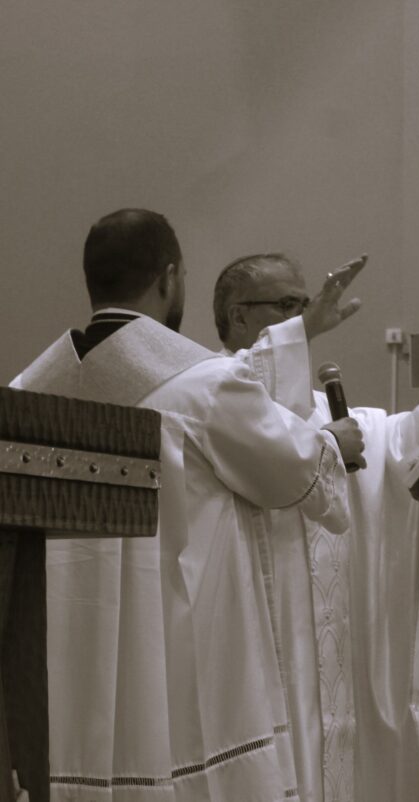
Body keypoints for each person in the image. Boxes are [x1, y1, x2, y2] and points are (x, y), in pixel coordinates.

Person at [10, 209, 364, 800]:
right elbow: (295, 474)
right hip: (180, 655)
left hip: (66, 673)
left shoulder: (28, 391)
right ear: (170, 278)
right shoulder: (202, 384)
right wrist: (332, 442)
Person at [214, 252, 419, 802]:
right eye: (289, 306)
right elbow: (249, 407)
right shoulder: (209, 400)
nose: (306, 318)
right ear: (237, 317)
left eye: (303, 305)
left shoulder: (329, 414)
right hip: (251, 669)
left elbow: (400, 445)